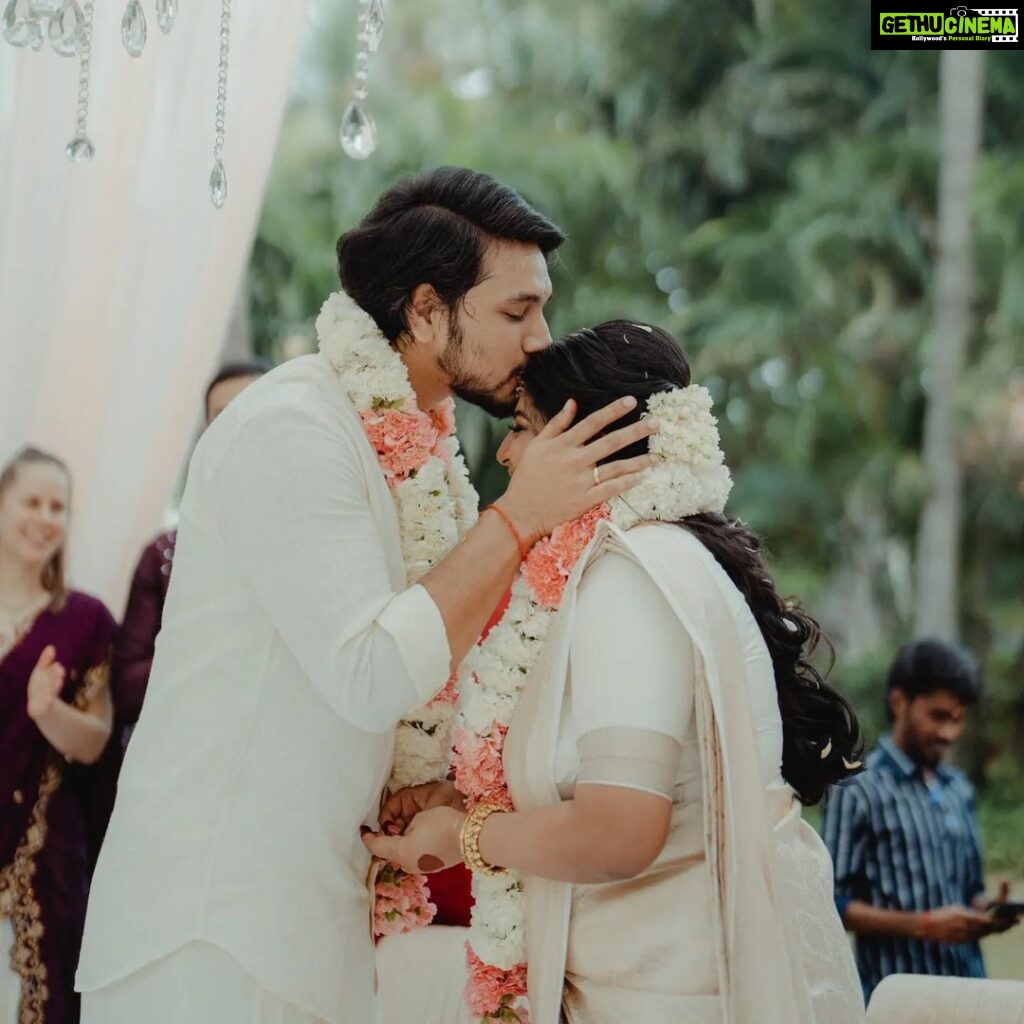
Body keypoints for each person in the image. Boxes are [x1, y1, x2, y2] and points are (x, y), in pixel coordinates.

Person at [76, 168, 653, 1024]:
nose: (540, 338)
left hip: (314, 925)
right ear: (425, 311)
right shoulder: (296, 427)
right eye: (515, 310)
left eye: (541, 308)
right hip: (214, 934)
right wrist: (522, 516)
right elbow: (372, 671)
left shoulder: (418, 451)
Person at [365, 321, 867, 1024]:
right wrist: (463, 796)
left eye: (522, 426)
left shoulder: (632, 578)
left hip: (671, 998)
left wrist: (464, 838)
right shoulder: (662, 559)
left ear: (591, 440)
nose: (507, 453)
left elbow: (620, 830)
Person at [80, 360, 272, 870]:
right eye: (219, 417)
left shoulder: (315, 537)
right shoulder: (164, 556)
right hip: (183, 778)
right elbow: (126, 686)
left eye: (250, 411)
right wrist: (219, 652)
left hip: (279, 772)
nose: (234, 428)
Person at [822, 639, 1021, 1003]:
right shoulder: (857, 789)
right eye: (938, 716)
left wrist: (989, 910)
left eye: (958, 719)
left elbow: (969, 890)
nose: (949, 733)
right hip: (900, 1000)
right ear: (900, 702)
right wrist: (925, 925)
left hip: (971, 993)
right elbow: (829, 903)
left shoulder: (958, 789)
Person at [0, 447, 117, 1024]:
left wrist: (47, 711)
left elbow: (95, 741)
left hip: (41, 864)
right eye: (32, 501)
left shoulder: (84, 620)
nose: (46, 516)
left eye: (59, 506)